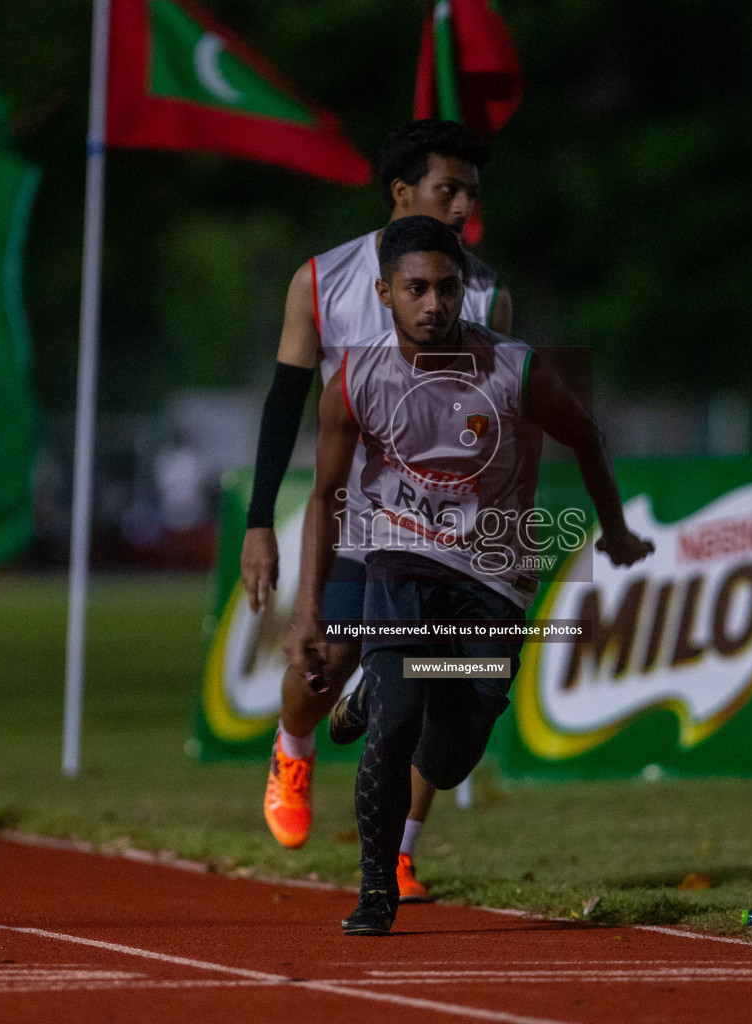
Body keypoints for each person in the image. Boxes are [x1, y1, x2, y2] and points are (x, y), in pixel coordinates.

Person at [286, 216, 654, 936]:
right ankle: (375, 892)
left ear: (465, 292)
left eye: (447, 288)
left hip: (493, 577)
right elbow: (327, 498)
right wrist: (309, 615)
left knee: (451, 755)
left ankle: (379, 697)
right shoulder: (353, 383)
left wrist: (612, 528)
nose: (433, 304)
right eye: (416, 289)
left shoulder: (514, 371)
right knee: (397, 719)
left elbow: (586, 437)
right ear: (384, 293)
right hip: (398, 557)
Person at [245, 120, 512, 903]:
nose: (464, 205)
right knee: (326, 663)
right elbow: (284, 403)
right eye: (448, 188)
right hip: (353, 514)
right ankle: (293, 746)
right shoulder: (321, 280)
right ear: (402, 192)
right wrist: (261, 518)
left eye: (471, 191)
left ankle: (399, 851)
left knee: (437, 686)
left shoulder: (487, 290)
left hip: (444, 527)